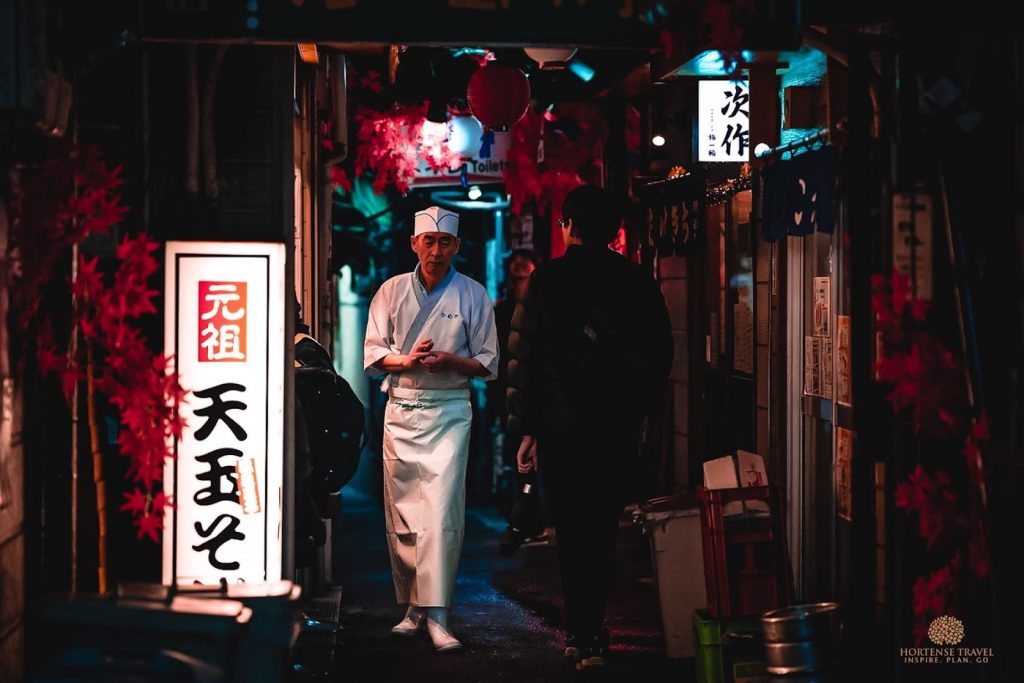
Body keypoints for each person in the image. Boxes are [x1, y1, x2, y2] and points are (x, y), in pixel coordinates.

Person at [506, 185, 673, 672]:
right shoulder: (635, 280)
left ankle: (579, 634)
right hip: (612, 427)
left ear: (568, 227)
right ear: (613, 231)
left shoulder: (546, 280)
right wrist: (636, 409)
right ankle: (591, 634)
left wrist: (527, 430)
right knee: (601, 529)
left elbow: (524, 358)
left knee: (571, 529)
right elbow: (660, 354)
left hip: (560, 429)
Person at [363, 205, 499, 653]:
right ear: (414, 244)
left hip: (449, 411)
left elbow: (487, 362)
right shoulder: (391, 290)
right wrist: (407, 360)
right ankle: (413, 609)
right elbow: (373, 353)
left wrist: (450, 362)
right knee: (403, 512)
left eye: (444, 243)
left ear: (457, 246)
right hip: (401, 408)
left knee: (441, 513)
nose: (436, 251)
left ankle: (439, 614)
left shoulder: (473, 294)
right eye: (428, 241)